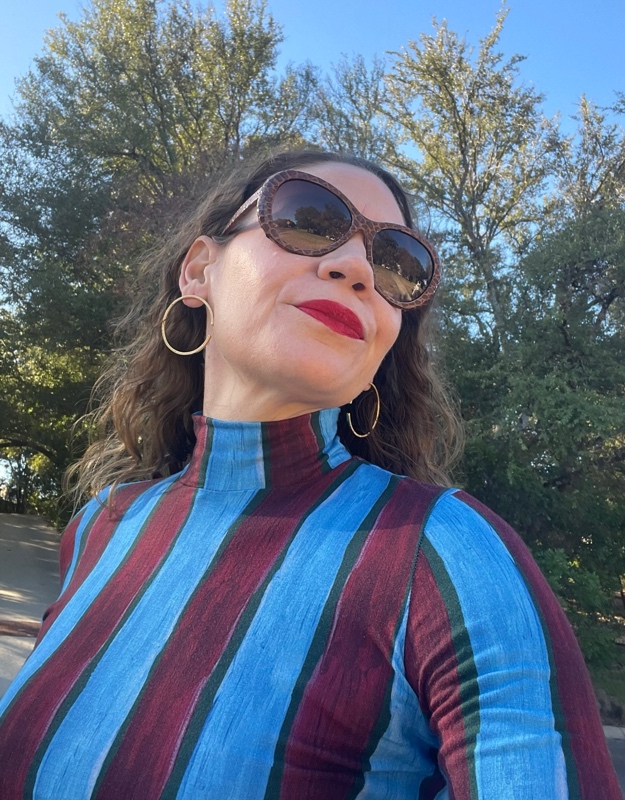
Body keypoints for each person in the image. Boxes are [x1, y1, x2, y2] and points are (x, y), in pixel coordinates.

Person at [0, 148, 619, 799]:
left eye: (396, 264)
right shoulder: (102, 525)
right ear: (200, 270)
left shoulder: (447, 555)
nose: (354, 267)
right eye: (307, 216)